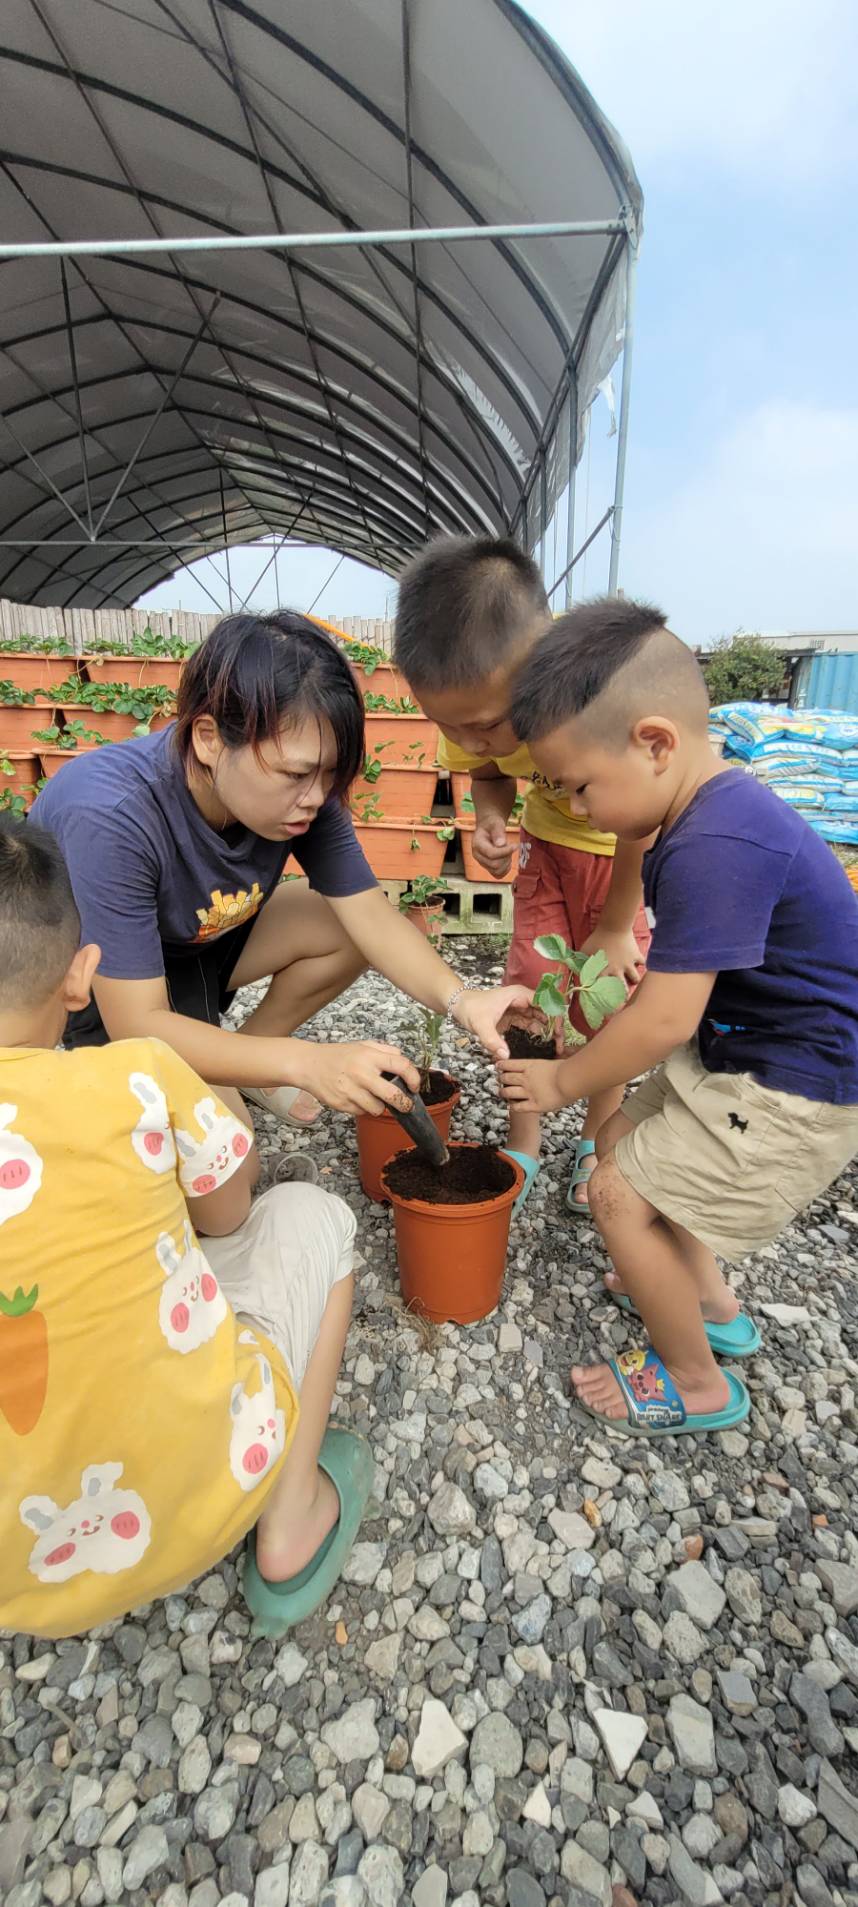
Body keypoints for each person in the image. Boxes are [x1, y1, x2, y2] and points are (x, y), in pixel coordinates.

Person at [0, 818, 374, 1639]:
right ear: (81, 976)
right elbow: (228, 1213)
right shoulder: (140, 1071)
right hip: (195, 1501)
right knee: (309, 1214)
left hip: (15, 1579)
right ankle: (289, 1522)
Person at [498, 598, 858, 1437]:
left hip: (795, 1083)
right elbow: (672, 965)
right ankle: (707, 1302)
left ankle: (696, 1380)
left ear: (655, 743)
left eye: (579, 786)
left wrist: (561, 1079)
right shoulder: (699, 811)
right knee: (619, 1138)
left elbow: (663, 1020)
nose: (576, 809)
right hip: (742, 1052)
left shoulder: (714, 844)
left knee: (616, 1192)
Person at [31, 612, 533, 1193]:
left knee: (342, 928)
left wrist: (464, 1001)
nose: (316, 797)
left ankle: (241, 1065)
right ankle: (222, 1070)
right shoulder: (112, 816)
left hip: (192, 947)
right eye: (296, 774)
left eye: (329, 774)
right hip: (102, 986)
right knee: (230, 1180)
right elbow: (139, 1023)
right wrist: (304, 1061)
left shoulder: (303, 797)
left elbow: (369, 916)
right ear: (209, 738)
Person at [394, 536, 650, 1211]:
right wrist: (489, 818)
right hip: (546, 847)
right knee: (530, 992)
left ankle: (597, 1141)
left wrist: (617, 925)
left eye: (484, 724)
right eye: (450, 726)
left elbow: (642, 823)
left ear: (540, 667)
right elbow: (486, 772)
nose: (469, 739)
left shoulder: (593, 691)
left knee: (610, 1002)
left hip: (619, 858)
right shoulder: (471, 703)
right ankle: (525, 1139)